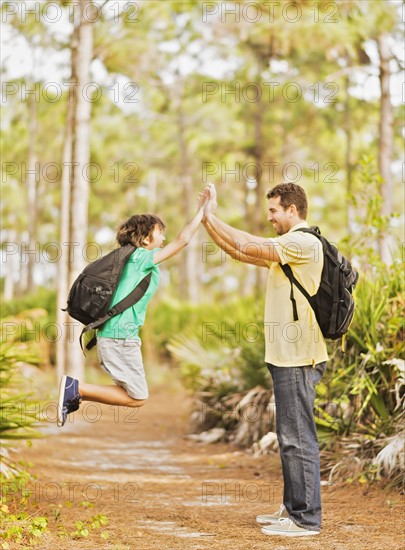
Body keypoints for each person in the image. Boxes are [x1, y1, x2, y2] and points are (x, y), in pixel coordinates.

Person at [202, 182, 328, 537]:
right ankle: (294, 509)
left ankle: (306, 520)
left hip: (300, 356)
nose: (268, 216)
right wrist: (206, 223)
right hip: (286, 355)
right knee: (289, 434)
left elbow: (245, 242)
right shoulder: (288, 249)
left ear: (293, 210)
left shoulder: (302, 242)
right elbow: (240, 253)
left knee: (297, 436)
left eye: (274, 210)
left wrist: (211, 214)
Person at [57, 189, 209, 428]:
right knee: (138, 396)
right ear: (145, 238)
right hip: (120, 338)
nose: (164, 238)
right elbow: (183, 241)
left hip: (117, 336)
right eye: (160, 232)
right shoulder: (140, 258)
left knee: (134, 394)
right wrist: (202, 211)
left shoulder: (131, 259)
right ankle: (75, 389)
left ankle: (75, 393)